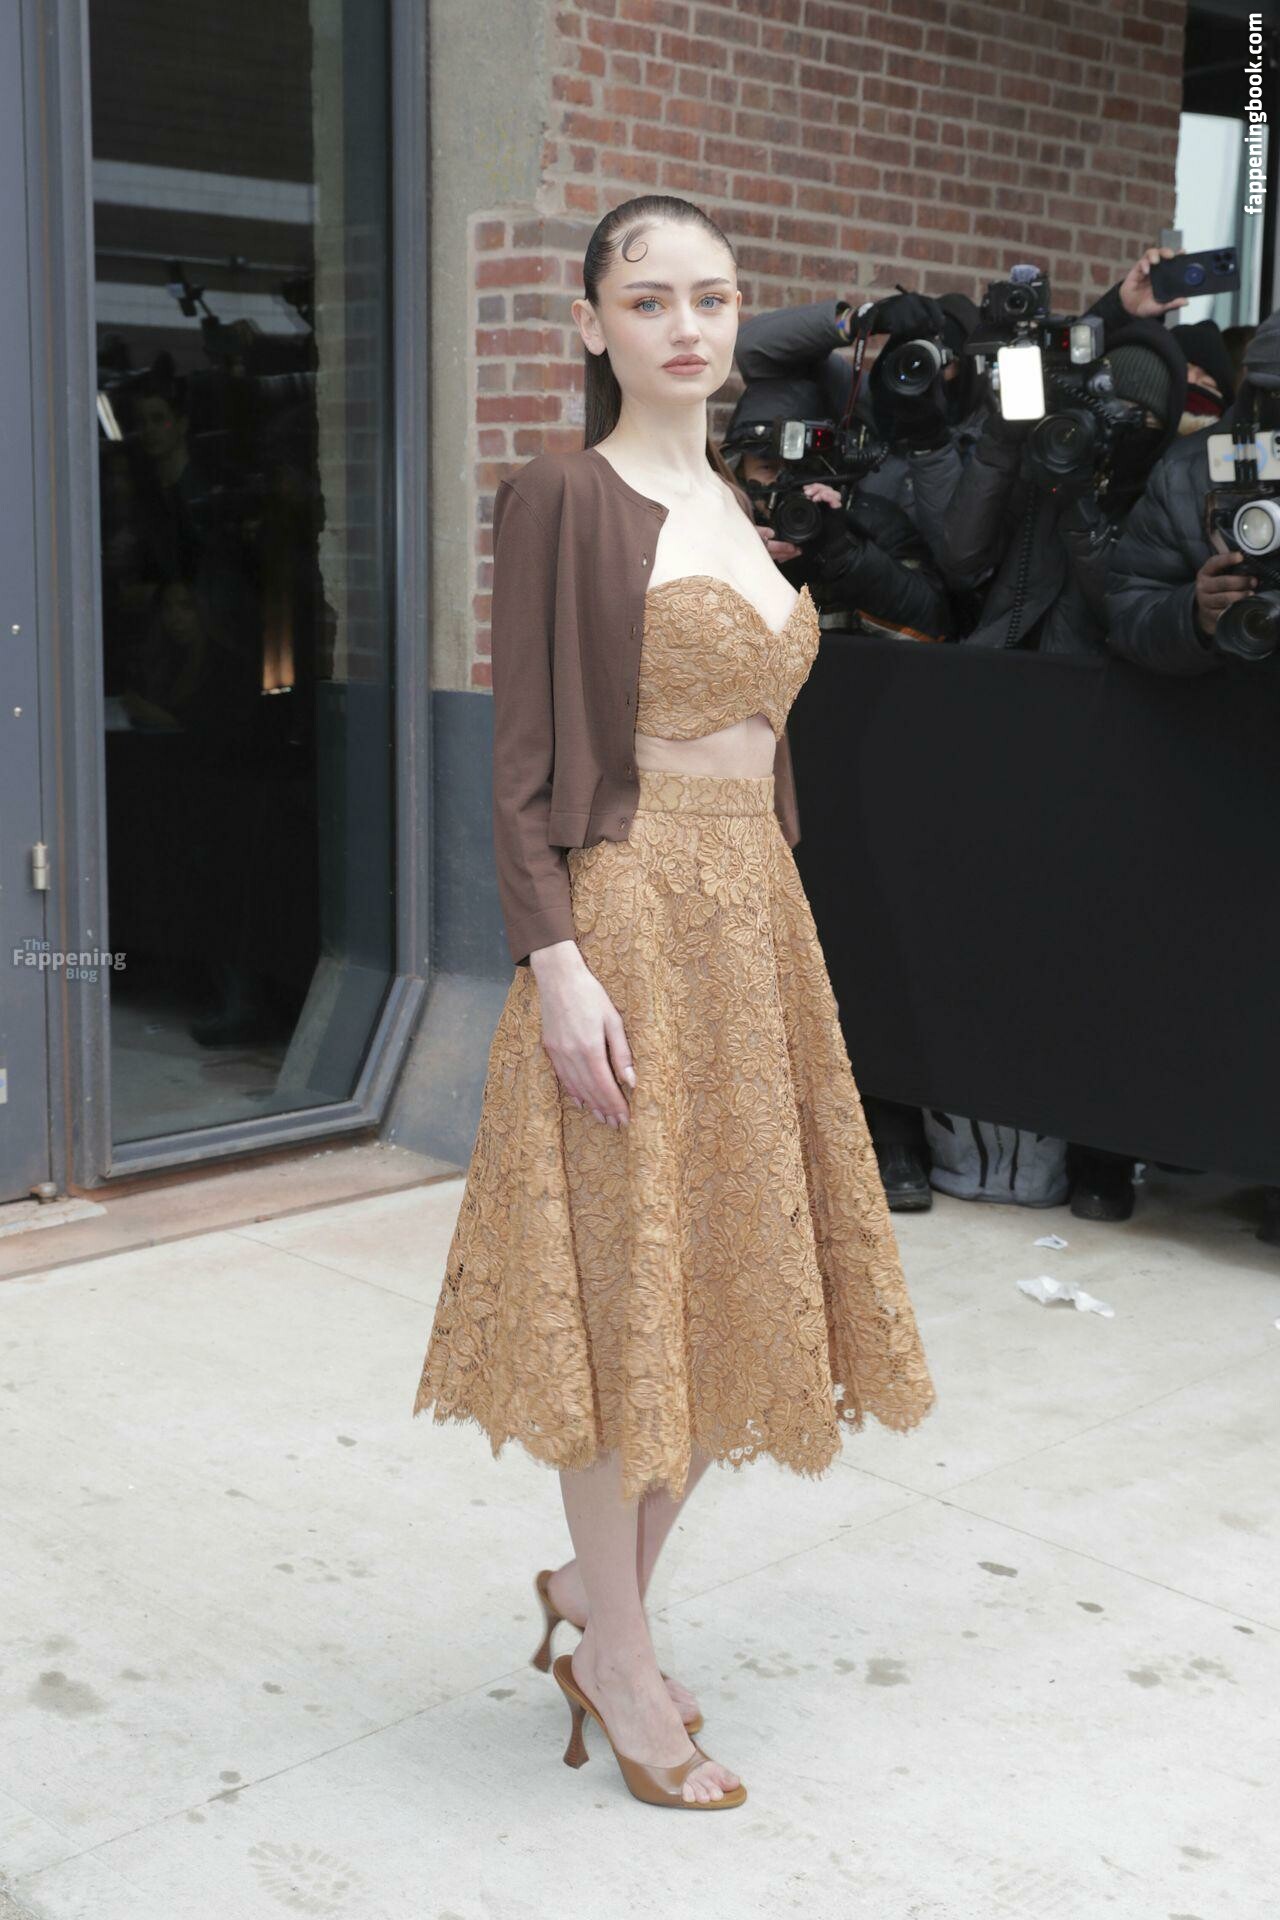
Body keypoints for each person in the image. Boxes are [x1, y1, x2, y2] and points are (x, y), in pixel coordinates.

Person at [412, 194, 937, 1809]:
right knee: (620, 1289)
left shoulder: (735, 498)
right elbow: (520, 761)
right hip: (628, 920)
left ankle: (596, 1598)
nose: (686, 325)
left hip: (757, 928)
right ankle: (624, 1660)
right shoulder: (563, 496)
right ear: (592, 325)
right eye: (648, 299)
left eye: (711, 297)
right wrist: (555, 959)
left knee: (731, 1275)